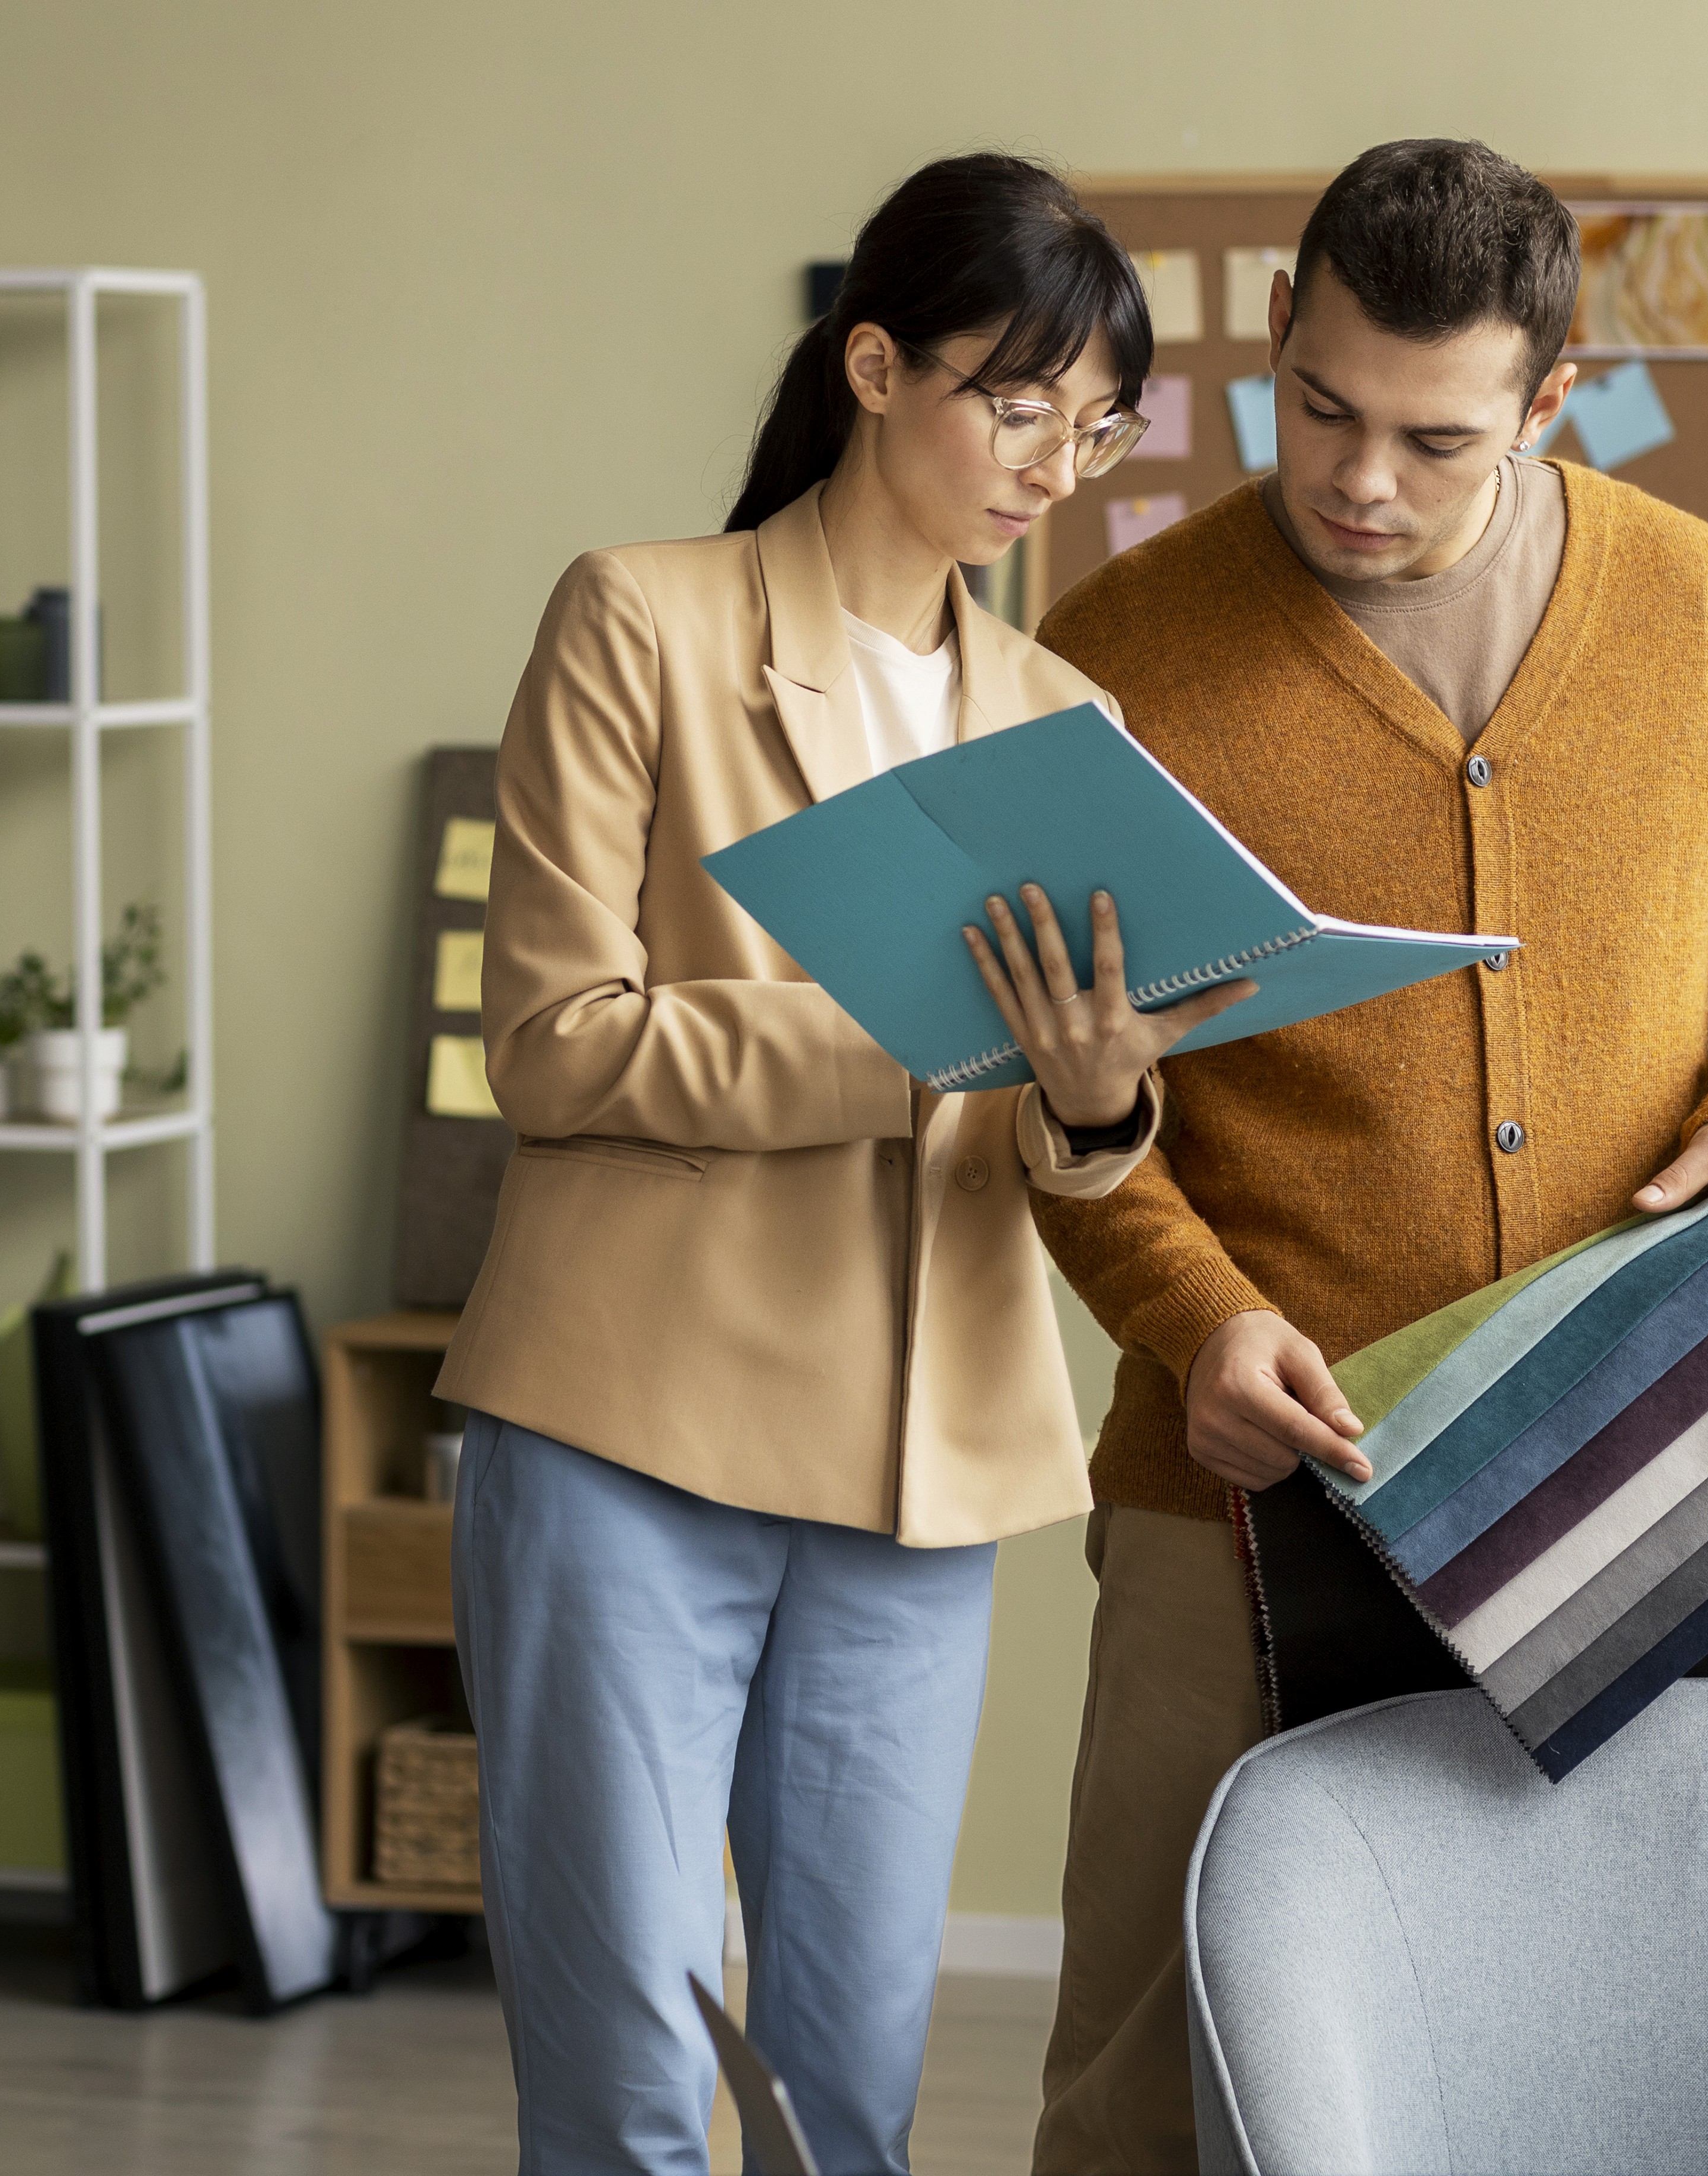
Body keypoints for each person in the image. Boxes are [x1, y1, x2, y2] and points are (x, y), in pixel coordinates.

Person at [1025, 139, 1708, 2175]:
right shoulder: (1124, 650)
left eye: (1433, 437)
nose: (1358, 477)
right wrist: (1198, 1321)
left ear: (1551, 402)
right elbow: (1053, 1099)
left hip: (1650, 1431)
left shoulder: (1698, 610)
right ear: (1277, 334)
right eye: (1319, 407)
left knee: (1672, 2025)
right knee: (1157, 2058)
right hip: (1244, 1468)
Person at [435, 152, 1252, 2176]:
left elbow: (1059, 1152)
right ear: (874, 366)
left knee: (849, 2108)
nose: (1052, 461)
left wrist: (1091, 1095)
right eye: (1012, 401)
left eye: (1095, 425)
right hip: (628, 1431)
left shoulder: (1063, 714)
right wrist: (912, 1044)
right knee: (626, 2086)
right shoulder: (644, 618)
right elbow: (552, 1044)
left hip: (920, 1481)